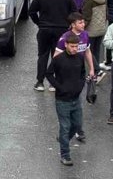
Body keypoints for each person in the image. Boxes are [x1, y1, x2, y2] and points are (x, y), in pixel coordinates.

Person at [29, 0, 76, 91]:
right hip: (61, 30)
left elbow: (31, 11)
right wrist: (69, 24)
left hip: (44, 29)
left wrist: (39, 23)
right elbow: (74, 12)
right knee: (58, 55)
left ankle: (40, 82)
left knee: (42, 55)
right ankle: (54, 82)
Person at [45, 34, 86, 166]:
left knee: (77, 125)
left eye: (76, 46)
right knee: (65, 126)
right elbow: (48, 73)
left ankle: (63, 140)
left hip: (76, 99)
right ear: (66, 45)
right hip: (62, 100)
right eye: (72, 46)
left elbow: (82, 73)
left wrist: (80, 85)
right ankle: (65, 155)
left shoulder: (80, 58)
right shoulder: (58, 59)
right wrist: (59, 87)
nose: (75, 49)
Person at [81, 0, 108, 79]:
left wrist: (81, 28)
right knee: (96, 51)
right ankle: (95, 74)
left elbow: (86, 17)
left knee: (88, 51)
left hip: (91, 30)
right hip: (101, 27)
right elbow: (106, 11)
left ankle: (97, 70)